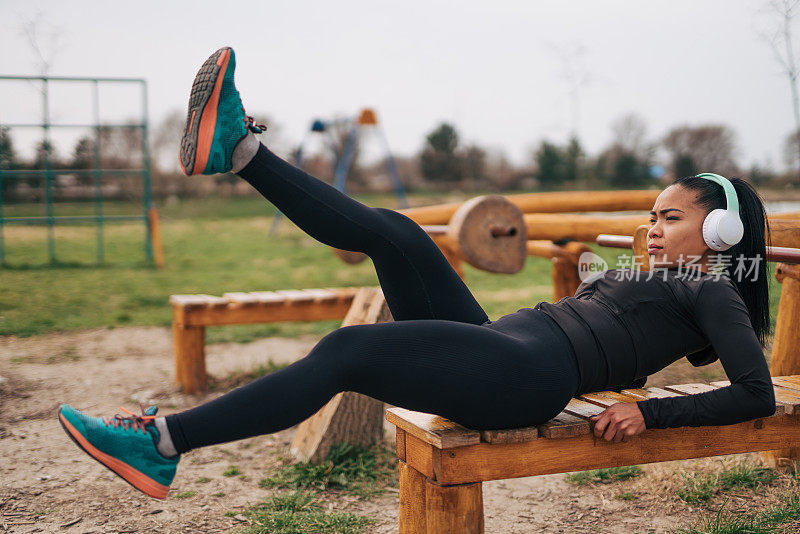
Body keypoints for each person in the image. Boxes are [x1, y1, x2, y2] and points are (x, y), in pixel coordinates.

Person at [57, 47, 776, 500]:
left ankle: (160, 446)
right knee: (396, 234)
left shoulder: (711, 287)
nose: (652, 228)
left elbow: (754, 393)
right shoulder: (653, 273)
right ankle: (240, 152)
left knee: (348, 353)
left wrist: (649, 411)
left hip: (530, 378)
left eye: (670, 218)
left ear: (720, 232)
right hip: (507, 348)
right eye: (652, 216)